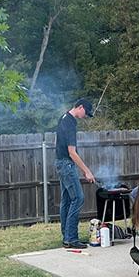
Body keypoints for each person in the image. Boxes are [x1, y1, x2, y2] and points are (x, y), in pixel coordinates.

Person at [56, 97, 95, 249]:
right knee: (78, 198)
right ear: (80, 107)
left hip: (61, 163)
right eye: (86, 112)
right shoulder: (70, 122)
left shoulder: (63, 117)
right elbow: (71, 152)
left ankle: (66, 236)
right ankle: (71, 238)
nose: (85, 116)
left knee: (66, 200)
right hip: (66, 164)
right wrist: (87, 171)